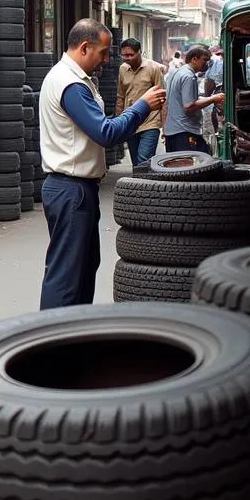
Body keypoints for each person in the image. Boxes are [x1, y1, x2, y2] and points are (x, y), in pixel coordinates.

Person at [38, 19, 165, 309]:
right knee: (67, 276)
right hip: (70, 189)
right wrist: (142, 105)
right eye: (104, 52)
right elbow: (106, 133)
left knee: (82, 269)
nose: (108, 60)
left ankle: (74, 338)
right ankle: (51, 345)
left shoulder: (73, 79)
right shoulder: (70, 84)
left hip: (76, 188)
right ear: (85, 47)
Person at [164, 45, 223, 154]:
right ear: (194, 59)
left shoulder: (177, 72)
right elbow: (189, 106)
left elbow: (189, 98)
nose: (207, 64)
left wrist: (210, 98)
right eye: (204, 60)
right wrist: (214, 99)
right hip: (184, 131)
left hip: (173, 131)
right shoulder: (189, 77)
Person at [116, 38, 165, 166]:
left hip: (150, 123)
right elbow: (120, 96)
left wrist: (165, 126)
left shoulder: (153, 68)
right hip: (131, 122)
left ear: (139, 52)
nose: (127, 58)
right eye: (124, 55)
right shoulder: (122, 69)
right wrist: (119, 122)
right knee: (136, 164)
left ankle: (144, 184)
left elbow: (162, 98)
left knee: (144, 161)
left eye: (130, 55)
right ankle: (140, 185)